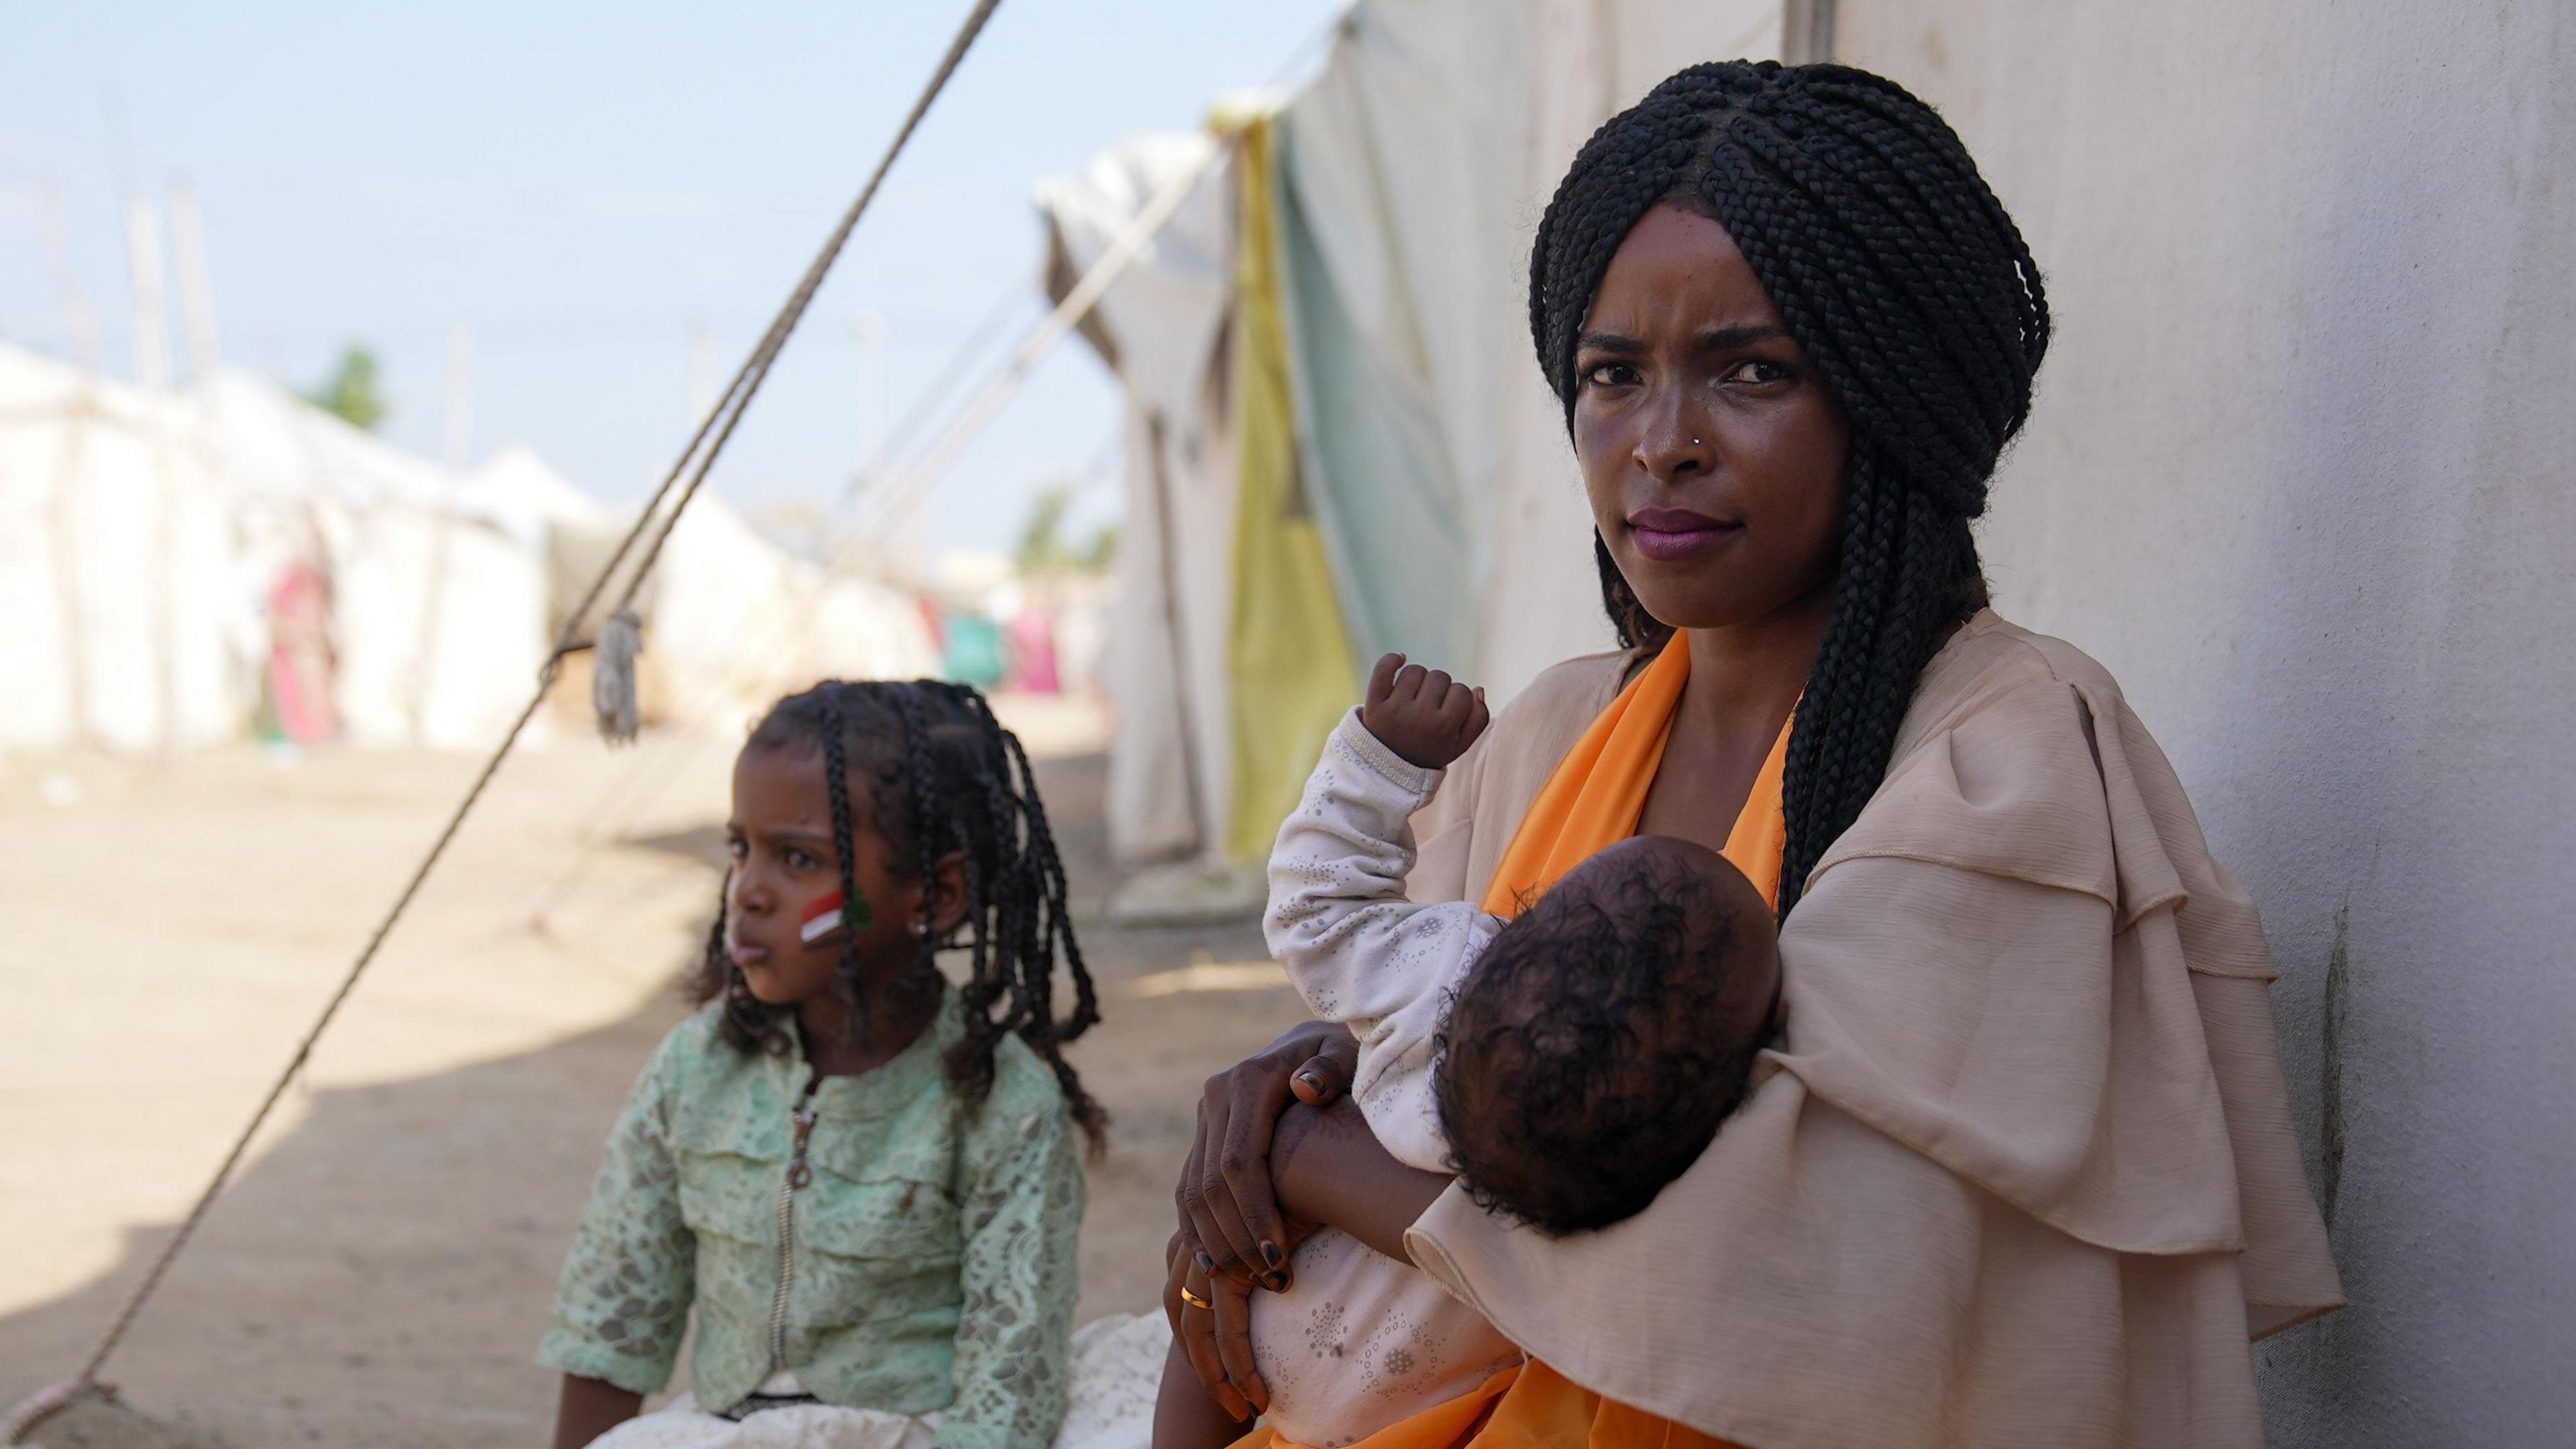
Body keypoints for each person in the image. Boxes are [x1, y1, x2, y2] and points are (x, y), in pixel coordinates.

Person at [1167, 60, 2342, 1449]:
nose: (1661, 447)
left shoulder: (2002, 761)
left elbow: (1776, 1278)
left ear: (1893, 397)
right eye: (1614, 375)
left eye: (1754, 372)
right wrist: (1299, 1080)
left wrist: (1312, 1159)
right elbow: (1428, 1044)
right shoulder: (1544, 731)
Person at [1154, 654, 1782, 1449]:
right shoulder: (1647, 1138)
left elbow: (1315, 904)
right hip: (1419, 1385)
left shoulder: (1454, 968)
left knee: (1201, 1293)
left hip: (1276, 1317)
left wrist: (1380, 761)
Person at [539, 680, 1113, 1449]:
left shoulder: (1006, 1106)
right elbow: (616, 1317)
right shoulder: (693, 1072)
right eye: (742, 849)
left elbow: (1008, 1391)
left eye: (799, 859)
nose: (748, 892)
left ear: (935, 896)